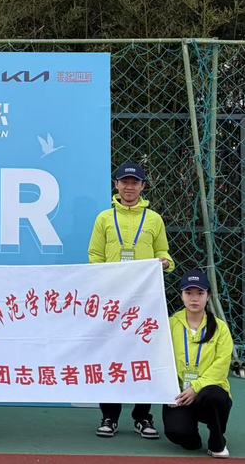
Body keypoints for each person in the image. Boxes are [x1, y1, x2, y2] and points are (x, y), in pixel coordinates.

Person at [89, 161, 175, 439]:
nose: (129, 187)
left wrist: (165, 262)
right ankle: (109, 416)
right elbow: (95, 256)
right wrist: (104, 280)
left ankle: (142, 416)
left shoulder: (154, 219)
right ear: (116, 185)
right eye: (124, 182)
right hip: (113, 299)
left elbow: (163, 251)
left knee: (143, 356)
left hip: (145, 299)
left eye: (134, 182)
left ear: (142, 186)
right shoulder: (104, 218)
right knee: (111, 355)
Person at [163, 269, 234, 459]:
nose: (194, 298)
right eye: (188, 293)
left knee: (214, 395)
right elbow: (161, 358)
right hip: (180, 394)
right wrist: (169, 390)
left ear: (208, 296)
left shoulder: (220, 327)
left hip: (207, 392)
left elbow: (221, 365)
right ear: (181, 295)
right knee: (180, 435)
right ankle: (191, 434)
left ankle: (217, 440)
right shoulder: (170, 324)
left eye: (200, 293)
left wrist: (196, 387)